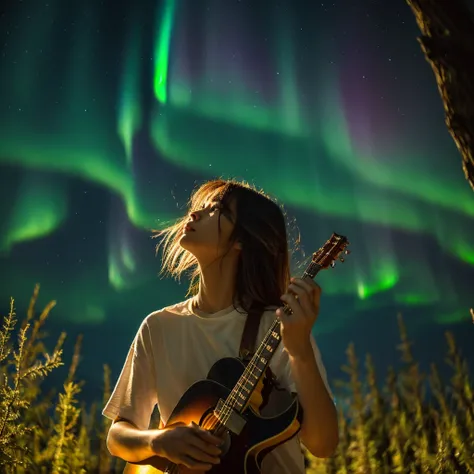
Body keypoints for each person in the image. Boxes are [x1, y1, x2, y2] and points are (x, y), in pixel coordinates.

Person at [102, 179, 339, 473]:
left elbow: (323, 444)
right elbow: (118, 434)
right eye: (199, 207)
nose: (195, 214)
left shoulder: (280, 327)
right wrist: (159, 442)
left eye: (219, 211)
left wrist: (300, 351)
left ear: (241, 241)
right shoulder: (158, 327)